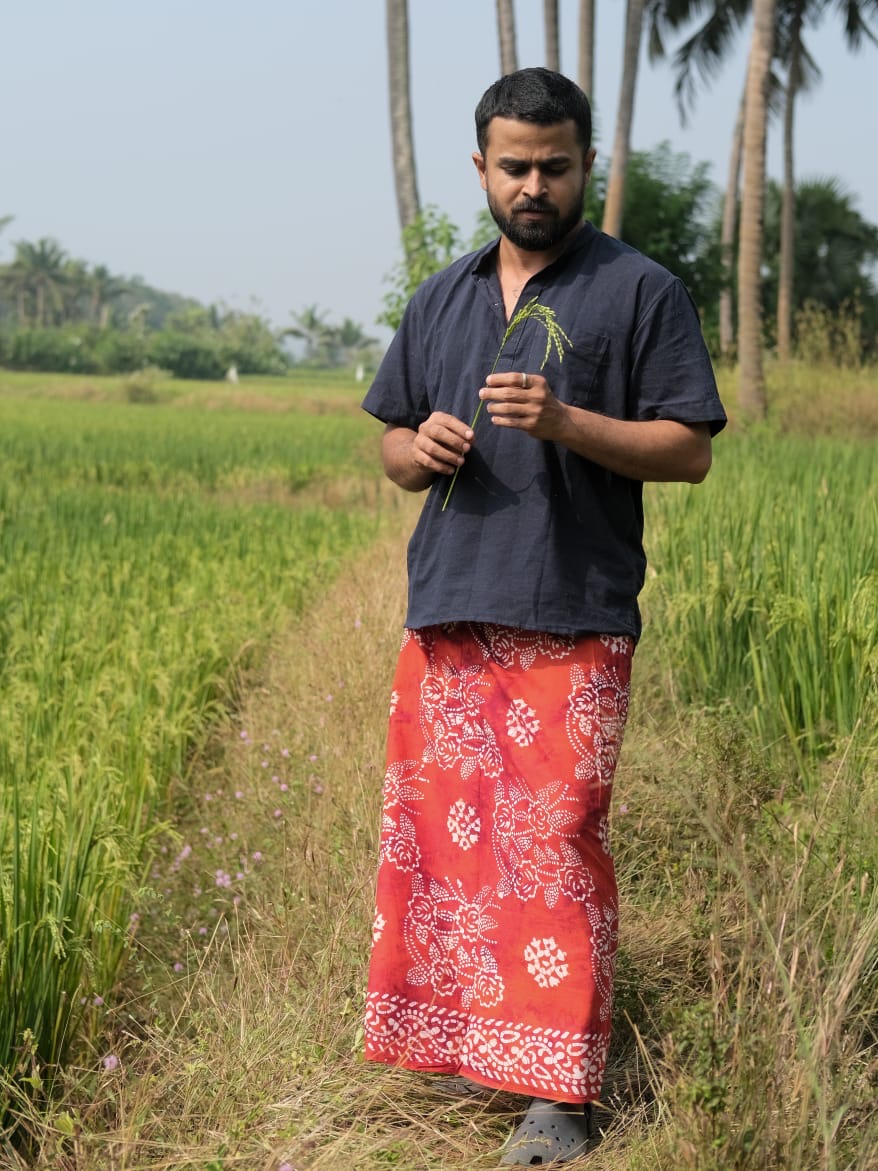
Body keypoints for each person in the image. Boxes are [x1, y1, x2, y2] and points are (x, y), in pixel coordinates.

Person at [361, 67, 726, 1165]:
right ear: (480, 168)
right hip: (450, 606)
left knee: (552, 846)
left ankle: (556, 1093)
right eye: (513, 166)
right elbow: (385, 440)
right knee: (445, 846)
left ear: (585, 167)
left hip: (572, 609)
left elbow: (689, 448)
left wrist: (567, 422)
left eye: (554, 166)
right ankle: (464, 1043)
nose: (533, 185)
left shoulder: (637, 290)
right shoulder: (440, 297)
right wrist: (412, 454)